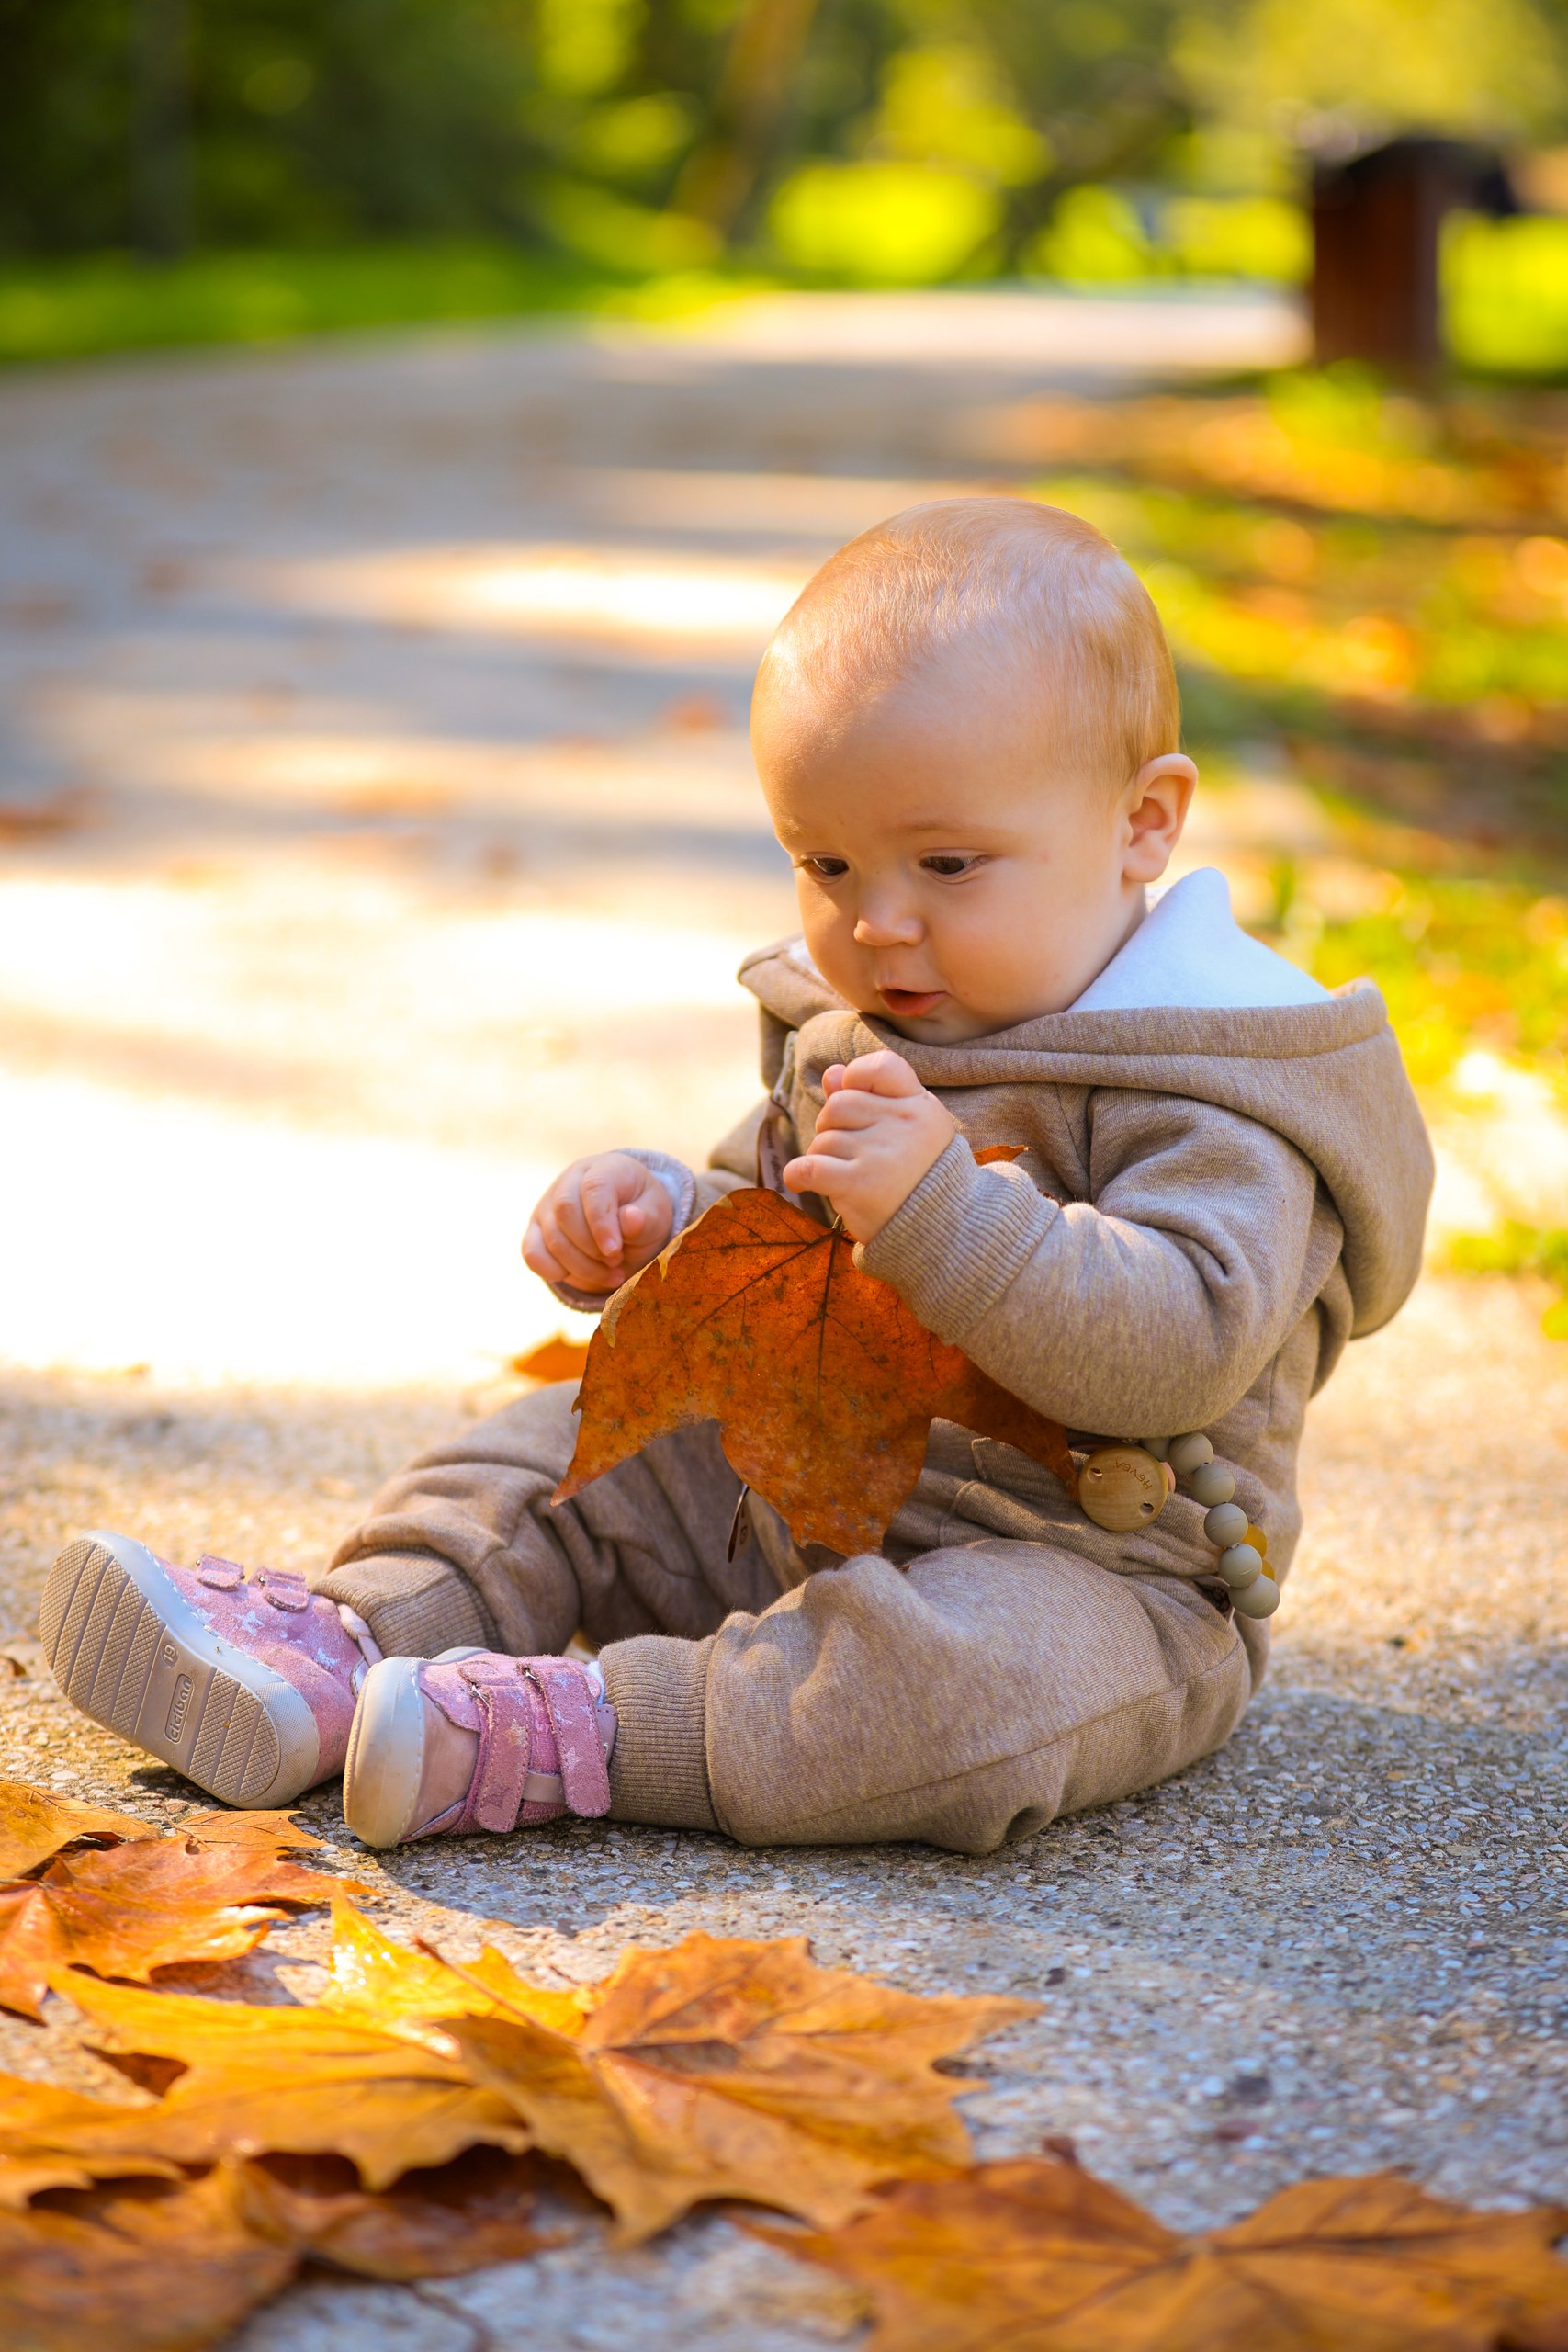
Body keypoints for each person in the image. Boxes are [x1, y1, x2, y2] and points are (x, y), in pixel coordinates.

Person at [39, 498, 1432, 1855]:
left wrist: (945, 1213)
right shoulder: (865, 1030)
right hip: (796, 1494)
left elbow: (1180, 1351)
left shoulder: (1210, 1084)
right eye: (824, 862)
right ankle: (353, 1645)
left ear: (1143, 825)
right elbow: (766, 1239)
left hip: (1086, 1574)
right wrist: (657, 1217)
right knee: (568, 1448)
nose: (879, 924)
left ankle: (575, 1733)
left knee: (957, 1699)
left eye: (948, 863)